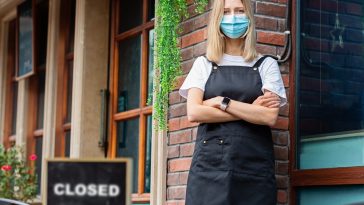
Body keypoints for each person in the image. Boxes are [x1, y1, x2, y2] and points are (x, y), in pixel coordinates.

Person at [178, 0, 287, 204]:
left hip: (253, 168)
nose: (233, 18)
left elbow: (269, 116)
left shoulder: (267, 65)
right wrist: (250, 110)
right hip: (208, 170)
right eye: (226, 12)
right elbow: (194, 112)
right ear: (217, 19)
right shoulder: (203, 64)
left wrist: (221, 101)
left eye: (239, 11)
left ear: (249, 18)